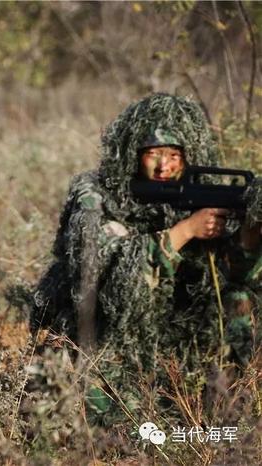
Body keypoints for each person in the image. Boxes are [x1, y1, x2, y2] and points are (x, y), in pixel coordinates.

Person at [32, 94, 261, 408]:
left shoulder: (206, 190)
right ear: (131, 153)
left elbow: (233, 276)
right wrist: (186, 231)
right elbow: (111, 283)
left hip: (173, 332)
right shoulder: (97, 196)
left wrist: (249, 235)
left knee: (239, 301)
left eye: (174, 154)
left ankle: (225, 406)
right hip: (105, 329)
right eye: (153, 153)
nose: (163, 165)